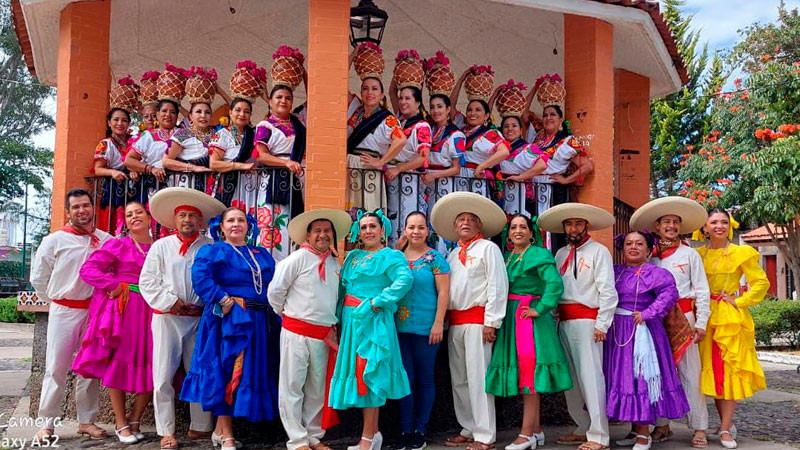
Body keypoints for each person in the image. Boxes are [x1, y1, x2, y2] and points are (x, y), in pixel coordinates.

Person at [181, 207, 281, 449]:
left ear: (248, 226)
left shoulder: (262, 254)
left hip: (258, 321)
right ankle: (227, 434)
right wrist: (223, 299)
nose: (236, 224)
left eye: (241, 220)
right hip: (228, 320)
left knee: (245, 373)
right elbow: (201, 278)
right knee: (225, 372)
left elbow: (276, 282)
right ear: (221, 226)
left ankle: (219, 430)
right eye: (231, 221)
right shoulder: (213, 251)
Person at [140, 187, 224, 450]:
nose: (187, 220)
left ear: (200, 222)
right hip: (167, 318)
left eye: (192, 216)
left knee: (198, 370)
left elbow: (219, 279)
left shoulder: (210, 247)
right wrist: (171, 302)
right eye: (183, 215)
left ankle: (200, 425)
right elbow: (147, 281)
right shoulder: (161, 247)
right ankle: (166, 431)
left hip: (200, 319)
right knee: (163, 374)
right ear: (174, 220)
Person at [627, 197, 711, 448]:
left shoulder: (690, 254)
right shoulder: (648, 255)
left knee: (690, 372)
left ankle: (699, 427)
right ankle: (661, 425)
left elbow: (702, 290)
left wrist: (702, 322)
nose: (671, 226)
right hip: (654, 319)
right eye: (666, 222)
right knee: (657, 372)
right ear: (657, 226)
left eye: (675, 222)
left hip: (684, 318)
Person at [30, 188, 112, 440]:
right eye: (76, 207)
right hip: (64, 311)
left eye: (85, 205)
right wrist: (57, 300)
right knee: (56, 367)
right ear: (68, 212)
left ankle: (86, 420)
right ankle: (47, 424)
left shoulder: (106, 240)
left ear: (92, 208)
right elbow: (38, 278)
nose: (82, 210)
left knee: (89, 367)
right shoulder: (54, 240)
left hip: (94, 313)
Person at [268, 209, 353, 450]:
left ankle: (314, 436)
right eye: (318, 231)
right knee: (292, 386)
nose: (323, 235)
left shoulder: (336, 263)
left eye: (327, 231)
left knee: (316, 388)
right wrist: (289, 316)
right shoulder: (295, 259)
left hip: (322, 335)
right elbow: (275, 293)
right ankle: (297, 440)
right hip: (296, 332)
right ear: (308, 235)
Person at [486, 214, 572, 450]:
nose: (518, 230)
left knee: (529, 373)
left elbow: (555, 285)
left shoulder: (539, 254)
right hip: (511, 319)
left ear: (532, 232)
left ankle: (526, 434)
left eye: (523, 226)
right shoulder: (507, 257)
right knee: (524, 371)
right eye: (513, 227)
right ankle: (536, 430)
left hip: (527, 320)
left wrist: (539, 308)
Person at [71, 201, 155, 444]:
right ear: (125, 222)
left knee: (153, 364)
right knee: (118, 363)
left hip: (152, 310)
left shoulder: (160, 246)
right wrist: (113, 285)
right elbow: (89, 269)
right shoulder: (118, 244)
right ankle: (120, 422)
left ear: (150, 217)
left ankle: (136, 418)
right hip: (125, 310)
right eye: (129, 214)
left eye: (139, 212)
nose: (134, 216)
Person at [329, 210, 413, 450]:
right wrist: (336, 320)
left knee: (370, 373)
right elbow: (342, 291)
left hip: (373, 321)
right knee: (359, 375)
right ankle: (373, 434)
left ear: (382, 230)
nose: (368, 231)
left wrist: (379, 301)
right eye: (364, 227)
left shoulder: (391, 256)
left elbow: (404, 280)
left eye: (372, 226)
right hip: (351, 321)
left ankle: (367, 437)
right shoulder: (353, 256)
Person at [430, 192, 508, 450]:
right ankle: (468, 426)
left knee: (479, 378)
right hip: (457, 323)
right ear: (454, 227)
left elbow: (498, 286)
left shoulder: (488, 248)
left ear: (480, 225)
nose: (465, 223)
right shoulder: (452, 255)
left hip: (478, 320)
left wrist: (492, 322)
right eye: (460, 219)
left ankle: (485, 434)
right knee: (460, 379)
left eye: (471, 219)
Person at [537, 203, 617, 450]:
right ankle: (582, 426)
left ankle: (599, 435)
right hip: (564, 321)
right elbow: (555, 289)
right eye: (569, 224)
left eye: (578, 223)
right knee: (571, 378)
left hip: (588, 321)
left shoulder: (599, 252)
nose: (573, 228)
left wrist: (602, 323)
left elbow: (607, 291)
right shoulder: (560, 254)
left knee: (591, 378)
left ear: (587, 225)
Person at [605, 231, 690, 450]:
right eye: (628, 244)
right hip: (618, 332)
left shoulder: (657, 273)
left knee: (640, 377)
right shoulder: (615, 272)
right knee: (624, 379)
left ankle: (645, 434)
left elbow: (669, 294)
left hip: (642, 329)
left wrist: (648, 313)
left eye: (639, 244)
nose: (633, 247)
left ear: (649, 249)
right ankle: (635, 430)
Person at [696, 209, 769, 449]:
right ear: (704, 227)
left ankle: (726, 427)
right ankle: (706, 425)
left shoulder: (741, 253)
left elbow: (760, 282)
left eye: (723, 222)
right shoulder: (696, 255)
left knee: (728, 372)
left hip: (728, 318)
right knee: (707, 372)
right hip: (701, 317)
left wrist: (738, 301)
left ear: (730, 226)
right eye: (714, 222)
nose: (719, 226)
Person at [392, 212, 450, 450]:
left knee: (425, 377)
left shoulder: (436, 259)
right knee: (404, 379)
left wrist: (438, 323)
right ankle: (405, 429)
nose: (416, 232)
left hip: (428, 328)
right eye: (411, 227)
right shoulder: (394, 258)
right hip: (398, 328)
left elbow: (444, 293)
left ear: (428, 231)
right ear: (404, 230)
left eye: (421, 227)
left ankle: (420, 429)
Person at [346, 49, 408, 213]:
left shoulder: (387, 118)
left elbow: (401, 139)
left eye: (374, 89)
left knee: (369, 212)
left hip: (369, 168)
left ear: (381, 95)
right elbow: (338, 81)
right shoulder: (356, 110)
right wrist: (353, 55)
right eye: (365, 88)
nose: (369, 92)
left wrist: (381, 162)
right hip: (349, 166)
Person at [255, 85, 307, 260]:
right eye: (279, 97)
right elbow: (261, 156)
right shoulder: (265, 125)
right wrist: (286, 163)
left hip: (296, 179)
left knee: (293, 224)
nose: (283, 101)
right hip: (275, 180)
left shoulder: (298, 124)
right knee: (273, 224)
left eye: (287, 98)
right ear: (270, 101)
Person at [449, 70, 510, 197]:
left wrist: (482, 166)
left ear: (487, 115)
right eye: (469, 110)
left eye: (478, 110)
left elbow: (504, 151)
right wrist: (461, 79)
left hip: (476, 178)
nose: (472, 113)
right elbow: (450, 106)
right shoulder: (461, 128)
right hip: (457, 177)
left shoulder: (490, 133)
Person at [386, 83, 431, 245]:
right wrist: (398, 76)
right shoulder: (401, 122)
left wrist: (398, 169)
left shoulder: (422, 126)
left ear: (418, 102)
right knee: (394, 219)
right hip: (395, 178)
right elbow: (392, 92)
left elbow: (423, 157)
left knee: (408, 220)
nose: (402, 102)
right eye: (400, 99)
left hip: (409, 179)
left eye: (407, 98)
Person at [422, 94, 465, 254]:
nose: (435, 110)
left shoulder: (456, 135)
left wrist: (434, 176)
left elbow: (456, 168)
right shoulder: (429, 130)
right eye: (432, 107)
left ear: (448, 109)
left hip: (444, 185)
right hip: (428, 185)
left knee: (441, 224)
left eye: (439, 106)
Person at [497, 115, 548, 217]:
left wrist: (520, 177)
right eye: (506, 126)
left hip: (523, 193)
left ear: (520, 131)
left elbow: (542, 164)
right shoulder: (498, 150)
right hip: (503, 193)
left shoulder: (529, 148)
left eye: (514, 126)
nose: (510, 129)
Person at [209, 98, 257, 207]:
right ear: (230, 112)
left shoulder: (254, 135)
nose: (242, 114)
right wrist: (240, 166)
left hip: (251, 185)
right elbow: (213, 164)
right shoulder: (223, 135)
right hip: (229, 185)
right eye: (238, 110)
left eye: (246, 111)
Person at [93, 107, 134, 234]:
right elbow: (97, 170)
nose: (120, 124)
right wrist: (113, 172)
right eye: (116, 120)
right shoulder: (106, 144)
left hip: (132, 186)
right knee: (115, 223)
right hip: (115, 188)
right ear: (109, 123)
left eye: (124, 120)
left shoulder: (133, 142)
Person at [163, 102, 214, 193]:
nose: (203, 115)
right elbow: (166, 161)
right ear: (190, 116)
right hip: (188, 182)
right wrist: (193, 168)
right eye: (198, 112)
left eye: (207, 112)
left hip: (213, 182)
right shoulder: (183, 134)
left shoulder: (218, 134)